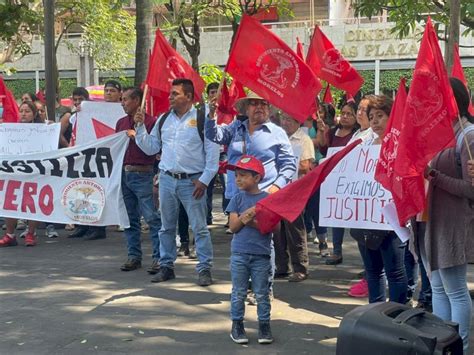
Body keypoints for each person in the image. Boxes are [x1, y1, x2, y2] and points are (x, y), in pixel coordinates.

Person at [135, 78, 219, 286]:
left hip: (193, 182)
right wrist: (139, 127)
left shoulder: (203, 118)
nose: (170, 97)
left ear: (189, 97)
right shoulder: (164, 119)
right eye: (171, 93)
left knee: (199, 227)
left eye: (175, 93)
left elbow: (212, 154)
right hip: (166, 179)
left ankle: (204, 268)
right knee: (166, 227)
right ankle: (167, 266)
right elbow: (151, 148)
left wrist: (205, 180)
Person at [415, 77, 474, 352]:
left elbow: (470, 190)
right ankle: (442, 346)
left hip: (452, 223)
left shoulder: (468, 135)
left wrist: (433, 176)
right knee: (437, 288)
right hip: (428, 222)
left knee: (456, 291)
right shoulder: (434, 134)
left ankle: (459, 347)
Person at [351, 94, 407, 305]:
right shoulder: (363, 143)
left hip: (391, 219)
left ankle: (398, 316)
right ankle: (375, 317)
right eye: (371, 116)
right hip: (366, 218)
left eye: (380, 116)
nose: (374, 121)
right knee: (373, 272)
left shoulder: (401, 143)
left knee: (395, 272)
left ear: (391, 117)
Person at [226, 155, 273, 344]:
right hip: (239, 253)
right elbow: (233, 226)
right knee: (238, 292)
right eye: (237, 175)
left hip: (261, 254)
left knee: (262, 292)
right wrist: (248, 215)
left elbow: (272, 228)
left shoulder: (267, 199)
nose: (238, 179)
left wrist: (249, 219)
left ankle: (264, 325)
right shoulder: (236, 199)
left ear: (257, 178)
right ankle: (237, 325)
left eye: (243, 175)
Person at [68, 80, 122, 241]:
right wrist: (80, 112)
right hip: (89, 158)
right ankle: (83, 225)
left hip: (111, 158)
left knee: (102, 191)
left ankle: (99, 227)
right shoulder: (90, 110)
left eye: (112, 90)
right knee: (84, 189)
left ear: (120, 93)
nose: (108, 93)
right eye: (107, 91)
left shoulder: (123, 111)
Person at [117, 87, 161, 273]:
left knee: (151, 217)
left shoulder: (151, 122)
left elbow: (153, 149)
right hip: (123, 174)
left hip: (143, 173)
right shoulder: (120, 123)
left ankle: (159, 257)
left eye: (126, 99)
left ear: (137, 100)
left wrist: (138, 132)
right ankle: (133, 256)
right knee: (129, 218)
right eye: (122, 99)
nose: (122, 103)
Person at [318, 101, 359, 265]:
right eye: (343, 113)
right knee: (337, 216)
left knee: (357, 219)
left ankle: (366, 258)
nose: (346, 116)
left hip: (355, 181)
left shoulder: (359, 134)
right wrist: (322, 133)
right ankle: (336, 251)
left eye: (350, 114)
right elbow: (324, 150)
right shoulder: (333, 132)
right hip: (336, 181)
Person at [0, 101, 46, 247]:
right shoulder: (10, 130)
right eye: (22, 111)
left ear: (34, 114)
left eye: (27, 111)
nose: (24, 114)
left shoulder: (43, 130)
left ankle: (30, 233)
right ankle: (10, 234)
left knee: (32, 202)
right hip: (14, 172)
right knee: (9, 202)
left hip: (34, 172)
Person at [275, 113, 312, 282]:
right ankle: (282, 266)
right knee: (278, 230)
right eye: (283, 119)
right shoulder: (278, 136)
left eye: (289, 119)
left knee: (295, 230)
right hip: (278, 188)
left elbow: (307, 165)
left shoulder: (303, 139)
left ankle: (300, 267)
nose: (285, 122)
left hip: (295, 190)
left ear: (298, 121)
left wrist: (288, 163)